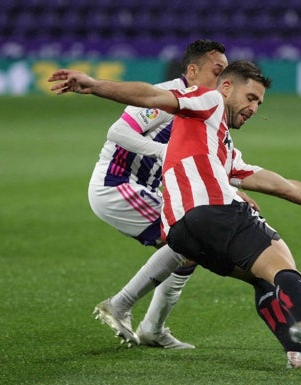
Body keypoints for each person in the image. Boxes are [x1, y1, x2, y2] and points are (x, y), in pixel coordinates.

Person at [49, 60, 301, 368]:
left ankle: (298, 353)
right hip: (212, 213)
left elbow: (281, 184)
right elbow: (152, 96)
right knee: (284, 266)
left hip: (181, 234)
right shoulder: (209, 100)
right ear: (226, 87)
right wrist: (94, 84)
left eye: (259, 102)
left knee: (260, 278)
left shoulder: (222, 146)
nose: (255, 108)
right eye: (251, 98)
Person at [86, 40, 231, 350]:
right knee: (190, 239)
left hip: (145, 187)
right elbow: (117, 132)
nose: (222, 81)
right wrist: (165, 151)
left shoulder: (204, 104)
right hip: (118, 184)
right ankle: (122, 306)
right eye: (217, 72)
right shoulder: (168, 95)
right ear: (193, 71)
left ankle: (152, 327)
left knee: (192, 248)